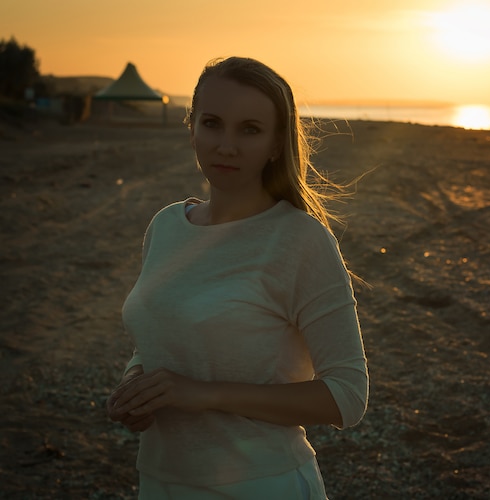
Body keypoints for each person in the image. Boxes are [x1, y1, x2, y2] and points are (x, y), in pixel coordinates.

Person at [106, 56, 369, 499]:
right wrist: (138, 383)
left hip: (262, 484)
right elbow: (165, 332)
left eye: (249, 129)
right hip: (159, 480)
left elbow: (347, 396)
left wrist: (203, 394)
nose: (226, 145)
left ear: (275, 143)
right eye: (212, 123)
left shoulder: (301, 241)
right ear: (191, 127)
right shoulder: (166, 226)